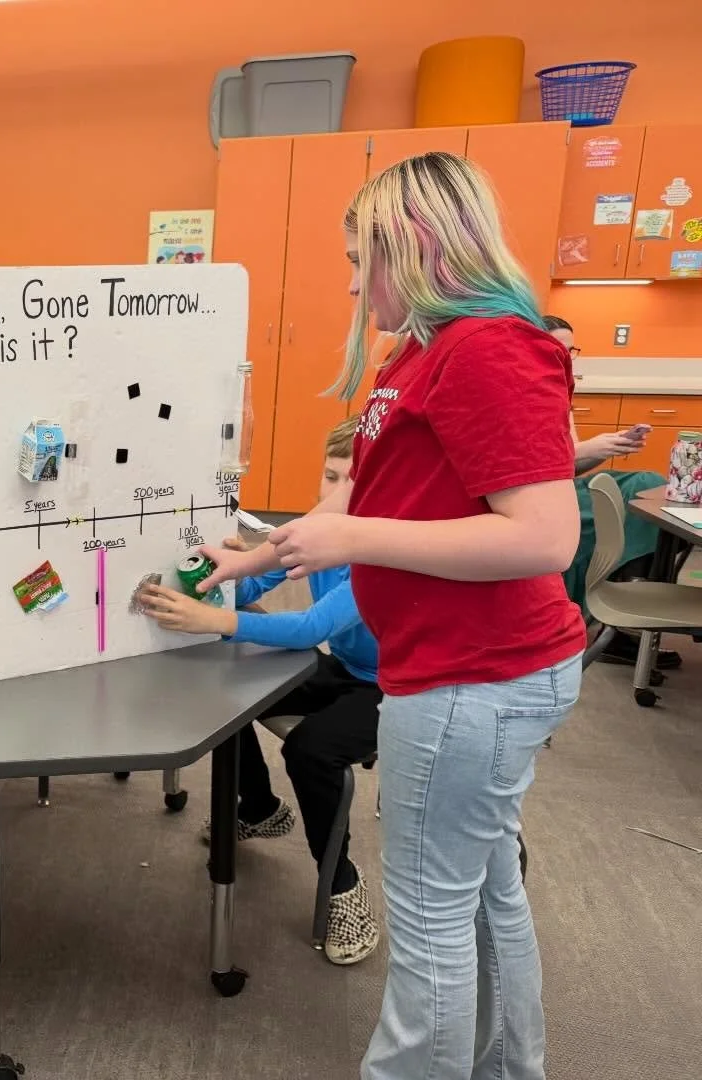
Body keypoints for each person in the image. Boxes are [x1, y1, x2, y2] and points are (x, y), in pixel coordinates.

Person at [196, 152, 585, 1080]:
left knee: (431, 922)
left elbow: (542, 539)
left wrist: (360, 539)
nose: (349, 282)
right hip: (463, 672)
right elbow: (370, 494)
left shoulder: (491, 347)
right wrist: (253, 560)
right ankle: (506, 1069)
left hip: (473, 679)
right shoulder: (418, 350)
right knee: (485, 899)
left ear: (411, 247)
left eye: (356, 258)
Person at [140, 415, 382, 965]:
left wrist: (218, 622)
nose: (337, 494)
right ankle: (259, 808)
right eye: (330, 476)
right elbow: (256, 583)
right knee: (235, 692)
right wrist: (228, 571)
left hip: (400, 688)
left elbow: (309, 628)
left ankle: (340, 882)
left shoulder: (375, 553)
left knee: (311, 750)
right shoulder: (312, 531)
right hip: (346, 670)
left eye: (355, 482)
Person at [543, 314, 680, 669]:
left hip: (563, 486)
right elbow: (543, 469)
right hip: (543, 496)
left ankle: (631, 612)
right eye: (559, 348)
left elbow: (570, 467)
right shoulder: (528, 391)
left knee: (648, 485)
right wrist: (594, 448)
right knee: (617, 512)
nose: (566, 358)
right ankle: (611, 617)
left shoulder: (560, 389)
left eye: (570, 350)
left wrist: (610, 447)